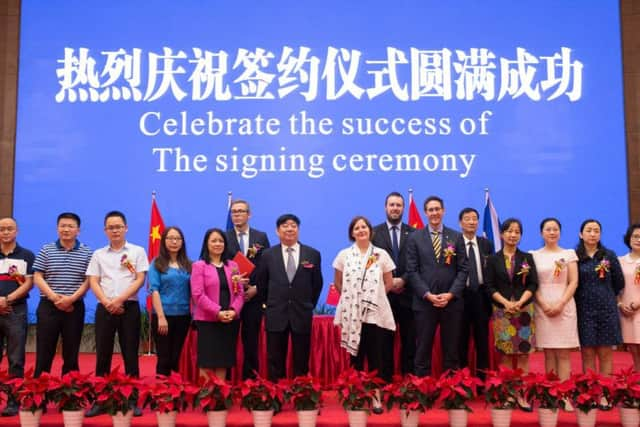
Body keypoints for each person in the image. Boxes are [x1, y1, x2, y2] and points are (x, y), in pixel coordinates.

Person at [86, 211, 148, 417]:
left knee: (131, 355)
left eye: (118, 226)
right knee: (102, 355)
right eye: (111, 227)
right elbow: (94, 280)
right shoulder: (98, 254)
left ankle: (132, 400)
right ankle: (100, 400)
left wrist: (119, 300)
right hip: (104, 308)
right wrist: (106, 302)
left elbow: (140, 279)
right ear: (105, 230)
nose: (115, 230)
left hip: (128, 308)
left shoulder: (138, 251)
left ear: (126, 228)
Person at [334, 216, 395, 413]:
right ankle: (357, 397)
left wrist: (374, 299)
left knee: (376, 357)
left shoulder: (380, 254)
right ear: (352, 233)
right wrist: (353, 300)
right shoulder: (344, 255)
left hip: (374, 315)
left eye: (364, 227)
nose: (361, 230)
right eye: (357, 228)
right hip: (353, 315)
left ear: (370, 230)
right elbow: (338, 283)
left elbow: (389, 282)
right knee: (356, 358)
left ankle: (376, 398)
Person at [406, 196, 467, 377]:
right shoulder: (415, 238)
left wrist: (451, 294)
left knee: (451, 351)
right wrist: (427, 294)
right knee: (422, 349)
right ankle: (422, 391)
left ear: (443, 211)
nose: (434, 213)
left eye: (437, 209)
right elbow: (412, 271)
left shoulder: (456, 237)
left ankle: (452, 394)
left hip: (451, 304)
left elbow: (463, 269)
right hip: (424, 303)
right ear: (425, 213)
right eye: (431, 210)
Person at [257, 214, 323, 381]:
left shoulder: (313, 254)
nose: (289, 228)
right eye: (285, 225)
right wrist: (269, 305)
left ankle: (301, 397)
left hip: (301, 314)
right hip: (276, 314)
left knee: (301, 360)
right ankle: (275, 398)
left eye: (293, 225)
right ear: (277, 231)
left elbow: (317, 284)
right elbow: (262, 284)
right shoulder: (267, 255)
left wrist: (308, 305)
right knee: (275, 360)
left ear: (298, 230)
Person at [485, 218, 538, 411]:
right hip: (502, 312)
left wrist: (521, 302)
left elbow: (533, 284)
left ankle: (522, 395)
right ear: (501, 234)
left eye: (517, 232)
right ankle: (507, 394)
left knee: (523, 355)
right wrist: (506, 303)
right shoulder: (493, 259)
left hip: (524, 312)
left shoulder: (527, 258)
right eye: (509, 231)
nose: (513, 235)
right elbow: (489, 286)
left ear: (521, 235)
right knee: (506, 355)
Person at [33, 212, 92, 377]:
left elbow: (89, 280)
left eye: (70, 226)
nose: (66, 229)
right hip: (48, 307)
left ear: (78, 230)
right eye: (62, 226)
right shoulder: (46, 249)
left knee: (71, 353)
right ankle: (39, 395)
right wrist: (53, 297)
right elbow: (38, 276)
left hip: (74, 307)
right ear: (57, 228)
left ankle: (70, 397)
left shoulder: (87, 252)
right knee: (44, 351)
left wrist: (71, 299)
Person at [224, 199, 270, 379]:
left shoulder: (261, 237)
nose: (237, 215)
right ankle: (225, 383)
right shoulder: (224, 237)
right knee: (228, 342)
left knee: (251, 343)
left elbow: (267, 265)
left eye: (241, 211)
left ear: (249, 214)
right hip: (231, 298)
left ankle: (250, 384)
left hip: (253, 298)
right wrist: (235, 284)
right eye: (234, 212)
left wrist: (256, 288)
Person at [371, 192, 415, 378]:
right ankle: (385, 383)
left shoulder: (414, 233)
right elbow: (370, 264)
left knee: (410, 342)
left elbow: (416, 263)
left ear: (403, 208)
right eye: (392, 205)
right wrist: (389, 282)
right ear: (385, 207)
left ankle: (409, 384)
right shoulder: (374, 233)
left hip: (409, 296)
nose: (395, 208)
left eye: (398, 205)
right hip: (383, 297)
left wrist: (403, 279)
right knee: (383, 344)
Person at [191, 228, 244, 380]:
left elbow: (240, 293)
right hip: (208, 322)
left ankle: (219, 398)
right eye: (213, 241)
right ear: (206, 244)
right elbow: (198, 295)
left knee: (223, 362)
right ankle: (207, 401)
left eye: (221, 241)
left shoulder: (233, 265)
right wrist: (218, 312)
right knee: (207, 363)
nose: (217, 244)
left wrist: (234, 311)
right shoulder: (199, 266)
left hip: (230, 320)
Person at [530, 218, 579, 383]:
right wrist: (543, 304)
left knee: (564, 352)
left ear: (560, 232)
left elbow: (573, 281)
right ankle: (551, 393)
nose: (552, 232)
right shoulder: (533, 255)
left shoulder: (569, 254)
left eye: (555, 229)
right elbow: (532, 284)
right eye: (548, 229)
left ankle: (564, 394)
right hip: (542, 305)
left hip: (564, 304)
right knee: (549, 352)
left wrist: (561, 303)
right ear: (541, 233)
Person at [574, 219, 623, 380]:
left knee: (605, 352)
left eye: (596, 231)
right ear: (581, 234)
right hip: (584, 311)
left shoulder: (609, 255)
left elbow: (619, 281)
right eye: (589, 230)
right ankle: (590, 392)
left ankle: (605, 392)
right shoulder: (575, 257)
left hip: (606, 310)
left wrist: (606, 296)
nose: (593, 234)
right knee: (587, 353)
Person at [0, 217, 35, 417]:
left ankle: (13, 401)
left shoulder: (27, 256)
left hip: (16, 311)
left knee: (15, 359)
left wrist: (7, 300)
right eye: (2, 229)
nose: (5, 232)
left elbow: (28, 283)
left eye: (9, 229)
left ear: (17, 231)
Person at [148, 226, 192, 377]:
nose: (174, 242)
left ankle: (178, 394)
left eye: (178, 238)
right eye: (170, 238)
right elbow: (154, 291)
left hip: (184, 317)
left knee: (178, 357)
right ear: (164, 241)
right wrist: (160, 317)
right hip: (163, 317)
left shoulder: (189, 264)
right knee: (164, 357)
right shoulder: (157, 264)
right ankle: (162, 395)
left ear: (182, 242)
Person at [457, 207, 493, 384]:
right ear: (460, 223)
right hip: (460, 298)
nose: (471, 222)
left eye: (474, 219)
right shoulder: (454, 243)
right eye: (467, 218)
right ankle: (463, 381)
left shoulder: (486, 243)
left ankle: (482, 382)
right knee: (460, 342)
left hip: (481, 297)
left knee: (482, 343)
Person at [619, 223, 640, 371]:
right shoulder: (620, 261)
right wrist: (620, 304)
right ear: (629, 238)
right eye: (636, 236)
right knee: (633, 348)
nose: (638, 240)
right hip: (627, 311)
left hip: (638, 307)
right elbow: (614, 287)